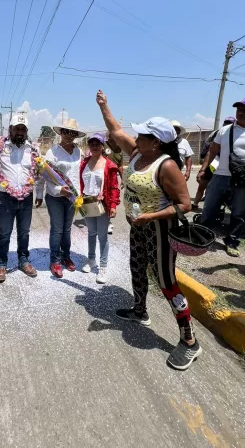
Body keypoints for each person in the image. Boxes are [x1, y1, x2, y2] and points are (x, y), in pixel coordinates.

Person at [97, 90, 201, 371]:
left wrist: (150, 215)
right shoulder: (136, 152)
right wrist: (104, 106)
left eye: (143, 134)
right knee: (137, 267)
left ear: (156, 142)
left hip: (160, 230)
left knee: (167, 283)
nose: (137, 136)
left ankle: (190, 341)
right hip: (139, 227)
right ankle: (140, 310)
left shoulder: (166, 165)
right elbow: (115, 130)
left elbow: (185, 204)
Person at [0, 114, 44, 283]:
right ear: (10, 129)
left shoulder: (33, 148)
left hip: (27, 196)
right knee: (5, 232)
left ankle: (23, 260)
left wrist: (39, 194)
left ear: (26, 131)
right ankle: (1, 263)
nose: (20, 132)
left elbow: (40, 171)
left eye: (23, 129)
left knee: (24, 232)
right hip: (5, 197)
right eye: (17, 128)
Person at [199, 100, 245, 257]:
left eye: (244, 109)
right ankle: (204, 234)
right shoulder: (224, 130)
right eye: (239, 109)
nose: (241, 112)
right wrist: (204, 169)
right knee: (210, 207)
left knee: (239, 213)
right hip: (220, 175)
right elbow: (212, 152)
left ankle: (232, 242)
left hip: (242, 179)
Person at [44, 119, 85, 278]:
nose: (69, 135)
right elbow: (46, 175)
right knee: (57, 229)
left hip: (73, 198)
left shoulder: (79, 152)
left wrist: (79, 193)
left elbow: (81, 174)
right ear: (60, 132)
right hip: (55, 197)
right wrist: (59, 189)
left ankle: (66, 256)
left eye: (72, 132)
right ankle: (55, 260)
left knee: (67, 229)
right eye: (66, 131)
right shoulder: (52, 152)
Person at [79, 133, 120, 284]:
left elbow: (114, 187)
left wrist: (114, 205)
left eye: (97, 144)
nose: (94, 146)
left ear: (103, 146)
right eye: (92, 144)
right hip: (87, 202)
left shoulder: (108, 165)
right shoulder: (84, 163)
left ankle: (103, 267)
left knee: (102, 236)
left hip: (102, 204)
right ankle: (91, 260)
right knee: (91, 233)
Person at [192, 116, 235, 209]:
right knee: (206, 183)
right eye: (226, 122)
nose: (227, 124)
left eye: (230, 122)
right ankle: (197, 204)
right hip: (214, 162)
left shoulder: (235, 134)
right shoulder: (219, 133)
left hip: (227, 165)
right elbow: (209, 151)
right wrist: (202, 169)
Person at [105, 132, 124, 234]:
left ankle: (107, 221)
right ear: (109, 136)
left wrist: (123, 179)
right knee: (102, 198)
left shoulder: (120, 149)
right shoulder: (103, 144)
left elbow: (120, 166)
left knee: (112, 199)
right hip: (102, 177)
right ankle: (102, 220)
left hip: (113, 179)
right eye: (113, 136)